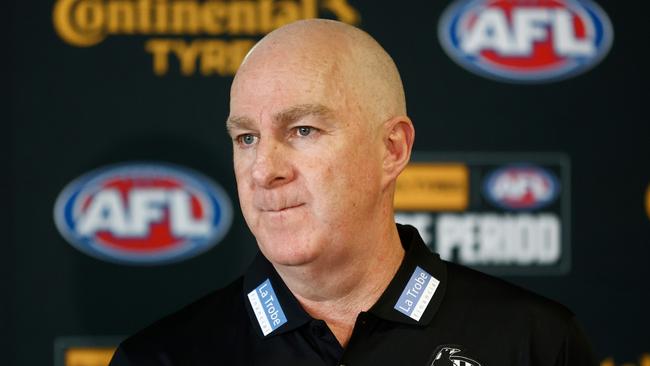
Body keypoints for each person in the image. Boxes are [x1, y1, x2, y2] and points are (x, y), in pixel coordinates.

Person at [109, 19, 596, 366]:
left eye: (301, 130)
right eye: (246, 138)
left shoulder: (535, 344)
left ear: (392, 149)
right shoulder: (160, 357)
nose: (264, 170)